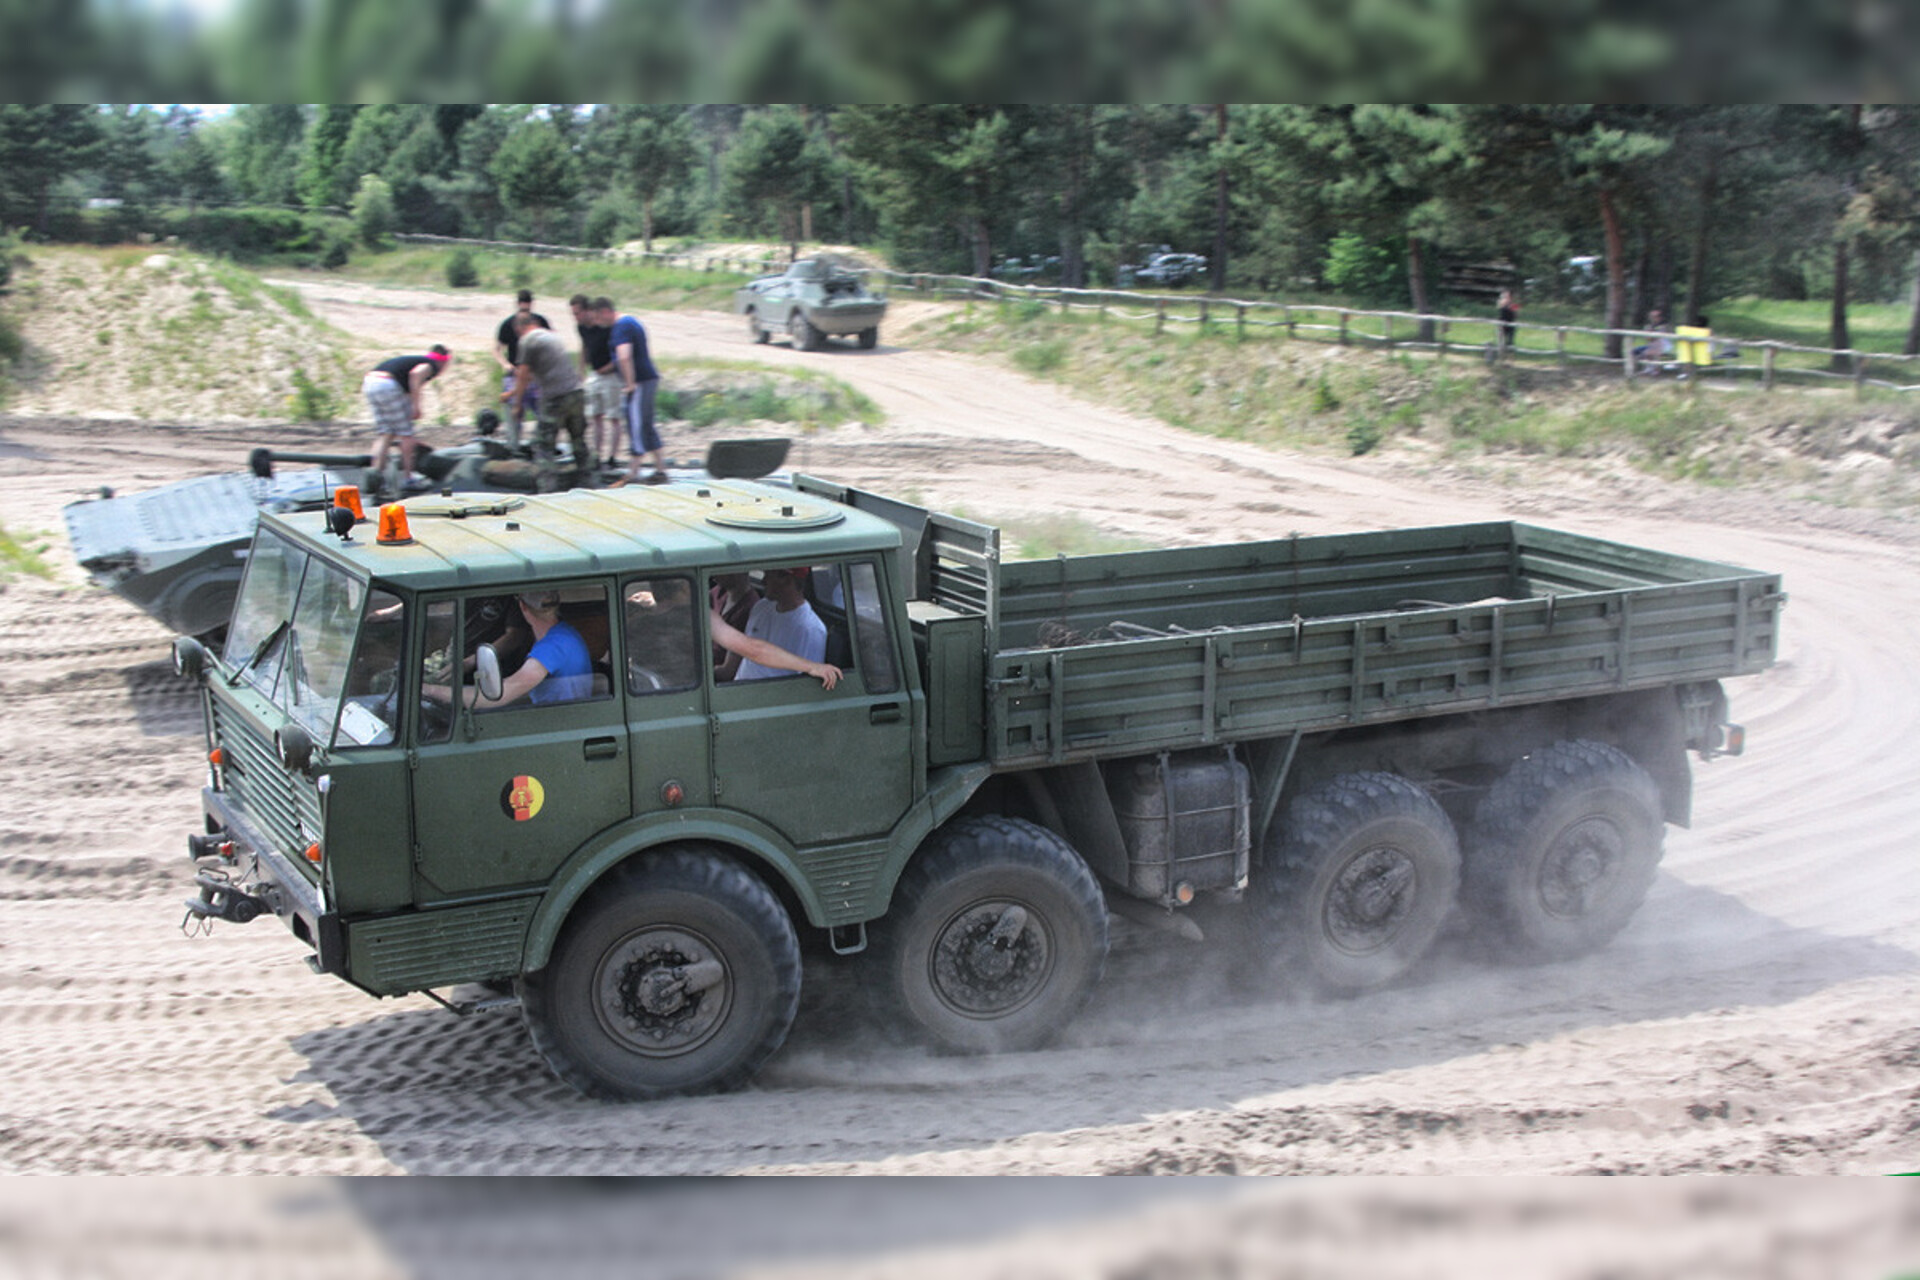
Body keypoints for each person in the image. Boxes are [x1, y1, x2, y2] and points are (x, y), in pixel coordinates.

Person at [426, 591, 594, 710]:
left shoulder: (550, 649)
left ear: (522, 607)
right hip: (561, 714)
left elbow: (497, 696)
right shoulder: (565, 633)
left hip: (559, 724)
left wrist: (431, 690)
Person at [507, 312, 590, 491]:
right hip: (576, 392)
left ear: (518, 329)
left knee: (543, 446)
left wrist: (517, 404)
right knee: (578, 440)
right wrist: (512, 393)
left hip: (555, 398)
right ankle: (588, 482)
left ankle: (547, 490)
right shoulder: (551, 336)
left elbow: (522, 375)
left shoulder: (527, 341)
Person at [715, 567, 838, 687]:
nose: (763, 581)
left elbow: (806, 687)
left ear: (787, 579)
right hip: (737, 689)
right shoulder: (761, 607)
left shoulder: (810, 629)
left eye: (768, 575)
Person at [596, 296, 666, 485]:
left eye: (599, 319)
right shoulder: (631, 321)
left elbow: (624, 356)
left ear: (605, 312)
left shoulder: (621, 326)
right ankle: (660, 470)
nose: (599, 323)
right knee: (646, 425)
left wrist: (629, 383)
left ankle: (633, 474)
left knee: (635, 425)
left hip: (640, 382)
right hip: (648, 379)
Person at [364, 344, 449, 483]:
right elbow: (415, 375)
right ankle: (408, 477)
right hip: (387, 384)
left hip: (370, 382)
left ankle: (375, 475)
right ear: (444, 361)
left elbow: (407, 389)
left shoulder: (415, 360)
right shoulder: (431, 364)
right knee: (406, 434)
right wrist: (416, 407)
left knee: (386, 433)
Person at [571, 293, 620, 473]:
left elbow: (619, 350)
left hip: (611, 374)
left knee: (614, 416)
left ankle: (613, 457)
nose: (576, 317)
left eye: (578, 313)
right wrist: (581, 369)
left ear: (587, 311)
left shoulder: (606, 327)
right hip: (595, 373)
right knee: (595, 415)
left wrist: (609, 367)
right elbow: (584, 346)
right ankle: (597, 455)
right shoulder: (582, 328)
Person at [494, 289, 549, 447]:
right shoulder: (508, 324)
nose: (525, 313)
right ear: (518, 305)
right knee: (513, 410)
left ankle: (541, 444)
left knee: (543, 411)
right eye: (522, 309)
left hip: (535, 374)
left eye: (527, 309)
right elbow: (496, 349)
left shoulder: (540, 322)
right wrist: (505, 364)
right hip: (515, 373)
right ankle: (513, 444)